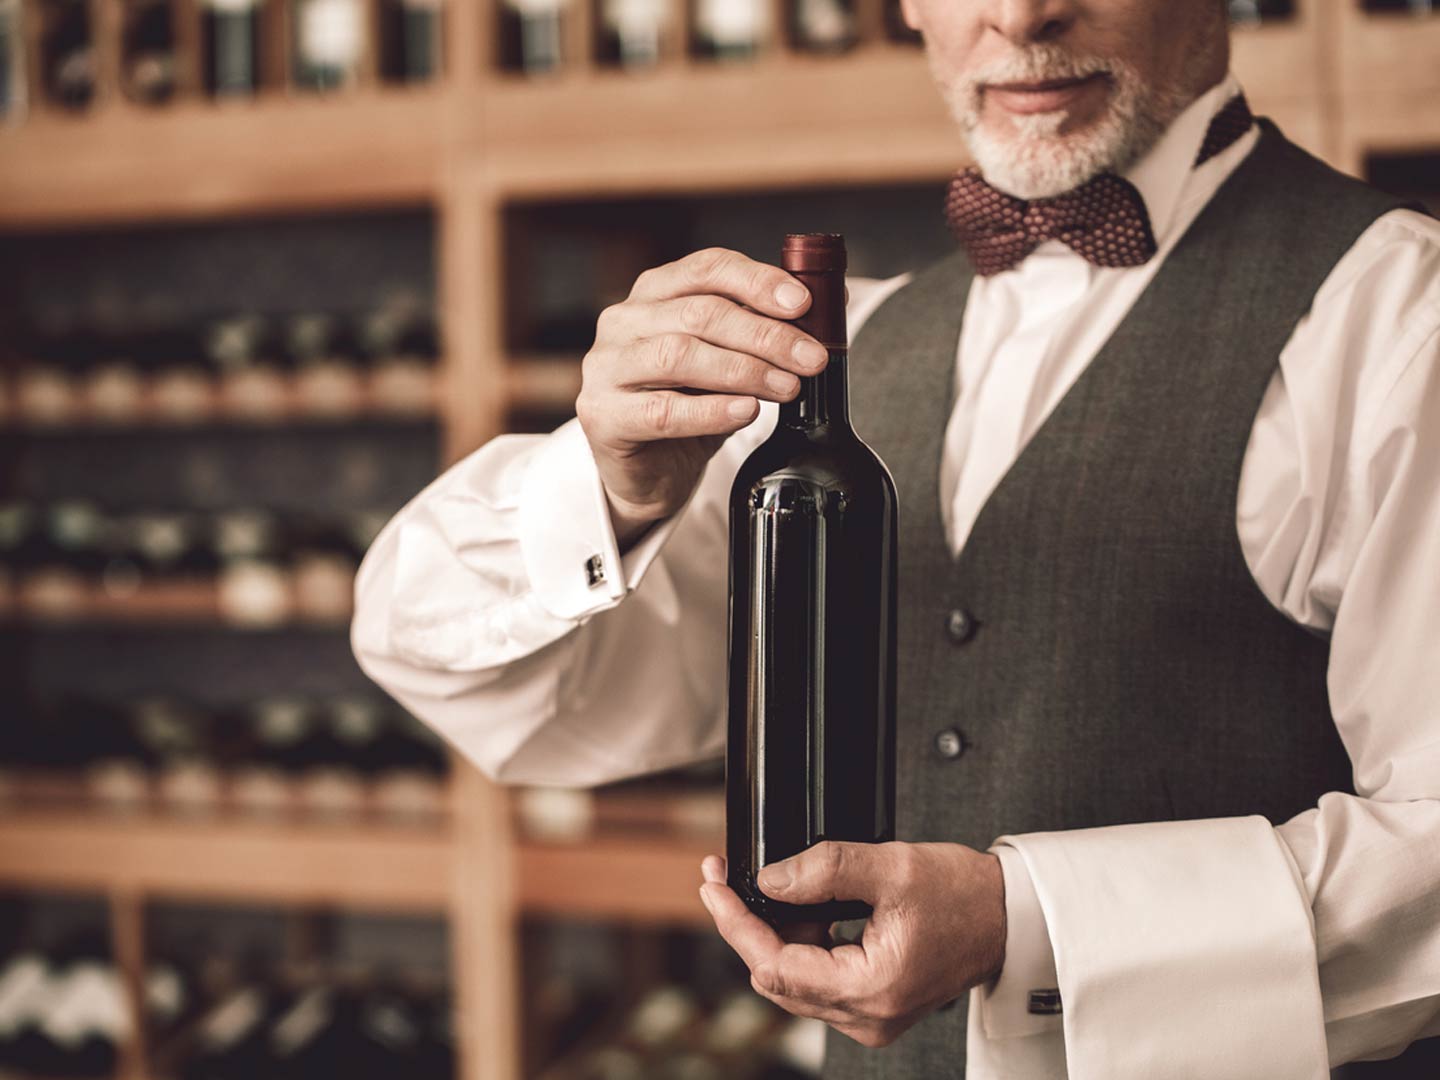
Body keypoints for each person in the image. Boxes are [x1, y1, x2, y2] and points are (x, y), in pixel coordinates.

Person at [351, 0, 1440, 1074]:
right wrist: (609, 489)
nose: (1022, 17)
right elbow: (454, 668)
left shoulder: (1399, 318)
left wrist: (1031, 924)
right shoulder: (853, 344)